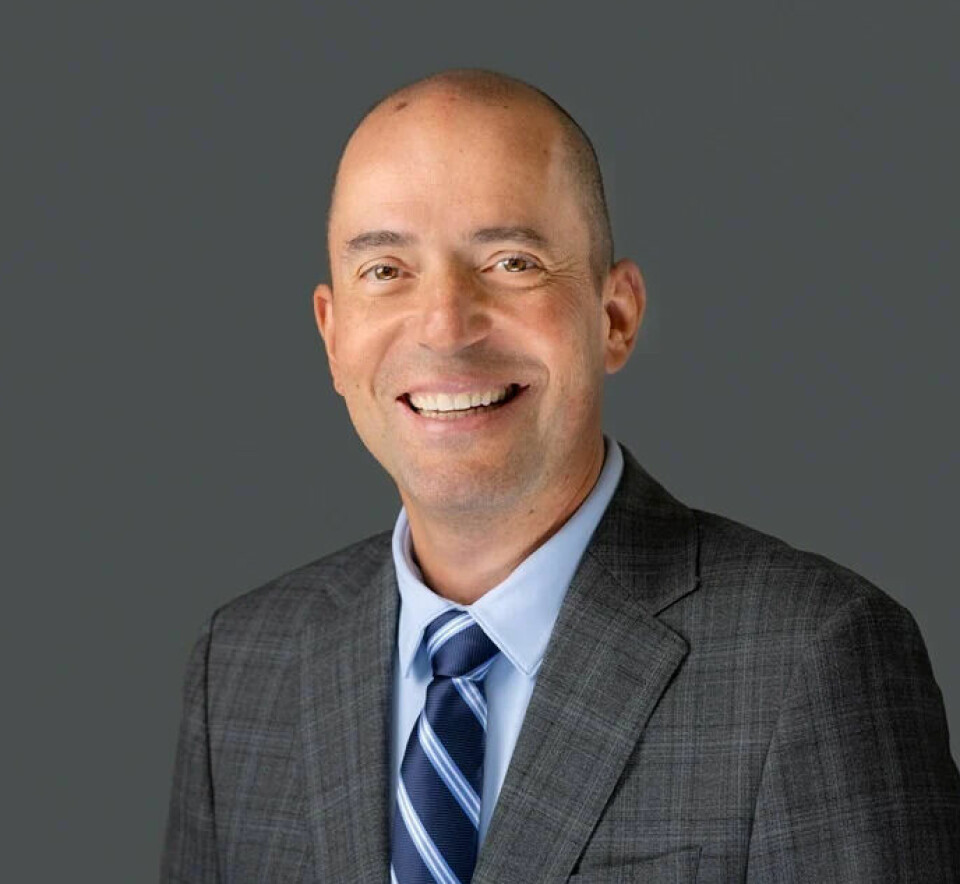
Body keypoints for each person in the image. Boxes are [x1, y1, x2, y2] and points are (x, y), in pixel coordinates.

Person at [160, 68, 960, 883]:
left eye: (512, 262)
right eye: (387, 271)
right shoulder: (242, 667)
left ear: (615, 317)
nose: (445, 326)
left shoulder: (812, 658)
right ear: (334, 337)